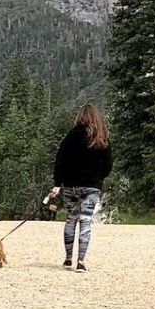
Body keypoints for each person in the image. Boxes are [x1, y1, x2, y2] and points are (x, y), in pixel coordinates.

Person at [49, 104, 113, 272]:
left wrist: (57, 183)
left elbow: (60, 160)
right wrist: (98, 177)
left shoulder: (71, 136)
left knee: (71, 219)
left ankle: (68, 258)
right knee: (85, 221)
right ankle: (81, 262)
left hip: (70, 185)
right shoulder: (101, 137)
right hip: (91, 186)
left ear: (80, 116)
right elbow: (108, 165)